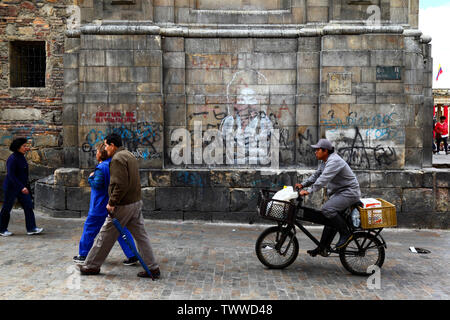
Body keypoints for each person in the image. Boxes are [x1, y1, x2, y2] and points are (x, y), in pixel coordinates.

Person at [78, 133, 160, 279]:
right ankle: (152, 267)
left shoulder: (117, 159)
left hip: (123, 205)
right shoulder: (129, 155)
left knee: (105, 235)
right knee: (141, 236)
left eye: (106, 145)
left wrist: (111, 203)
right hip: (135, 202)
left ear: (112, 145)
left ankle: (91, 266)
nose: (105, 148)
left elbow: (120, 185)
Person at [73, 142, 139, 266]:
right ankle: (132, 254)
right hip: (113, 204)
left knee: (90, 229)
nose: (96, 153)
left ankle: (83, 254)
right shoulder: (113, 164)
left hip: (99, 205)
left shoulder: (101, 167)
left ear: (101, 154)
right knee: (121, 230)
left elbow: (98, 184)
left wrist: (90, 178)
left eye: (97, 152)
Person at [295, 139, 361, 256]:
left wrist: (309, 191)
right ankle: (322, 247)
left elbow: (323, 179)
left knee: (327, 209)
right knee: (329, 219)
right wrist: (303, 184)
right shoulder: (324, 162)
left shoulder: (334, 161)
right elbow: (316, 175)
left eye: (317, 150)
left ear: (325, 151)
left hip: (349, 193)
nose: (315, 152)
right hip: (340, 193)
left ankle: (345, 233)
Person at [0, 138, 43, 236]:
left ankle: (31, 228)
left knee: (28, 206)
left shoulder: (22, 157)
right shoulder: (12, 159)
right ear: (17, 147)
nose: (26, 148)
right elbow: (11, 175)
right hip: (11, 187)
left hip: (22, 188)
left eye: (26, 146)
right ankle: (2, 229)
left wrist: (25, 187)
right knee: (7, 208)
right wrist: (21, 187)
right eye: (24, 146)